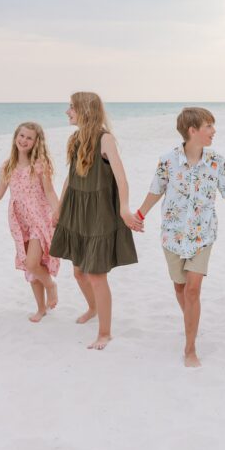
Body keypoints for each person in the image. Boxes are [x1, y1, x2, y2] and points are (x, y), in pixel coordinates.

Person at [135, 107, 225, 367]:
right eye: (208, 126)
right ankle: (191, 321)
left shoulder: (217, 161)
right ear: (192, 131)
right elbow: (155, 191)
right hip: (172, 235)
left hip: (202, 236)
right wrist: (139, 215)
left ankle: (190, 348)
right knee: (180, 288)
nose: (213, 131)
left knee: (193, 290)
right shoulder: (167, 160)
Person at [50, 92, 142, 349]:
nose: (67, 112)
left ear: (85, 110)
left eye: (71, 107)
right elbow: (70, 177)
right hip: (77, 211)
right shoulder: (75, 138)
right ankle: (92, 308)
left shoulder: (105, 139)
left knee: (96, 274)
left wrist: (124, 209)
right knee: (79, 271)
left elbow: (121, 178)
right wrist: (59, 207)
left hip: (100, 213)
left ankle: (105, 333)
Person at [0, 122, 61, 322]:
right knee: (30, 267)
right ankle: (41, 308)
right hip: (20, 222)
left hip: (39, 219)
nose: (24, 140)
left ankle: (51, 286)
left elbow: (50, 192)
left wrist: (58, 212)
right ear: (15, 137)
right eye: (21, 135)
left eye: (29, 137)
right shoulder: (8, 166)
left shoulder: (39, 165)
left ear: (37, 142)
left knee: (32, 262)